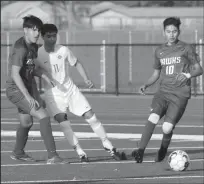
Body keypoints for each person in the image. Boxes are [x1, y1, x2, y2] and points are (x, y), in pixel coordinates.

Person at [35, 23, 122, 162]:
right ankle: (80, 152)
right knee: (64, 123)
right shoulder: (38, 53)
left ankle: (108, 145)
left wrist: (86, 79)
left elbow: (76, 63)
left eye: (54, 36)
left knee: (91, 116)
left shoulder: (63, 50)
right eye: (48, 36)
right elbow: (35, 70)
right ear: (42, 37)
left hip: (70, 90)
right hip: (53, 94)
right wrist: (44, 77)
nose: (52, 39)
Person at [131, 17, 203, 163]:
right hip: (162, 92)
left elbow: (199, 69)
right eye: (168, 31)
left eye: (174, 31)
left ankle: (163, 148)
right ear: (164, 32)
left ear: (179, 32)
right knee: (153, 117)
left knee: (167, 128)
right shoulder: (159, 51)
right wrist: (146, 85)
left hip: (180, 94)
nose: (171, 34)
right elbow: (156, 73)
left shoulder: (186, 48)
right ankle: (140, 151)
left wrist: (187, 74)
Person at [5, 15, 68, 164]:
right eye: (34, 30)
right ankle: (53, 156)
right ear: (25, 30)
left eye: (38, 30)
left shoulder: (32, 46)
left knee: (26, 123)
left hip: (26, 87)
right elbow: (15, 74)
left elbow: (31, 69)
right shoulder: (20, 48)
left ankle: (18, 152)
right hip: (16, 90)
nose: (37, 33)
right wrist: (28, 96)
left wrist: (47, 78)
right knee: (44, 116)